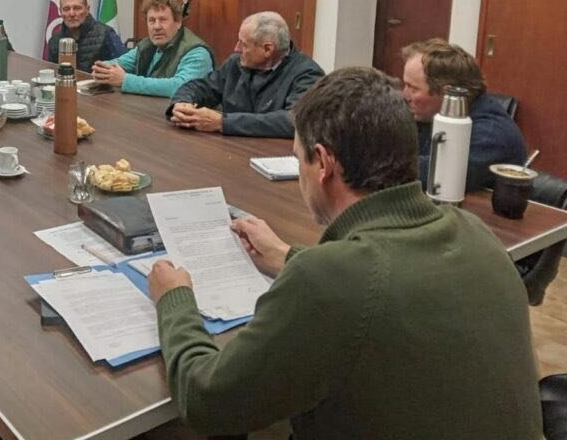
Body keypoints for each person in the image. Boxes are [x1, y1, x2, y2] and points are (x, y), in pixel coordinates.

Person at [148, 67, 542, 439]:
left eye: (298, 157)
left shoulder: (328, 279)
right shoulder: (476, 232)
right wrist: (287, 255)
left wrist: (174, 300)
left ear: (322, 163)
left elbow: (207, 401)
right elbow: (385, 284)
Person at [167, 11, 323, 137]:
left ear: (267, 49)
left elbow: (294, 121)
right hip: (231, 150)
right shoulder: (236, 63)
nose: (236, 48)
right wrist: (182, 104)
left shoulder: (307, 74)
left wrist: (223, 123)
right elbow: (201, 86)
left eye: (244, 44)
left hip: (271, 157)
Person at [402, 38, 526, 191]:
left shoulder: (492, 136)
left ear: (447, 93)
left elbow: (439, 174)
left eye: (413, 88)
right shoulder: (428, 113)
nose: (405, 95)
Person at [91, 0, 213, 97]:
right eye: (152, 21)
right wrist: (103, 69)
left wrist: (126, 80)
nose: (157, 27)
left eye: (163, 20)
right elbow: (120, 63)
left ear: (178, 22)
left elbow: (180, 87)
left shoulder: (197, 52)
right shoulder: (147, 45)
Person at [45, 0, 126, 73]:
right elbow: (52, 74)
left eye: (77, 8)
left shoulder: (106, 34)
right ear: (60, 12)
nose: (72, 14)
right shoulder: (54, 41)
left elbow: (125, 66)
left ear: (87, 9)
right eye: (66, 9)